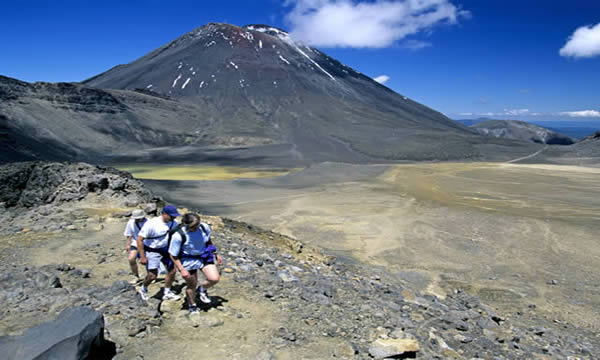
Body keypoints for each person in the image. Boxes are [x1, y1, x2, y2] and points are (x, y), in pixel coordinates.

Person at [169, 213, 222, 314]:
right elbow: (173, 255)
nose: (196, 227)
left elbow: (208, 240)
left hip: (204, 256)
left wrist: (216, 253)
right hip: (189, 260)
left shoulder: (204, 227)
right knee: (192, 284)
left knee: (214, 278)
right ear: (186, 225)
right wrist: (182, 269)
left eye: (197, 224)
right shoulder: (178, 236)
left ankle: (202, 289)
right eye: (194, 226)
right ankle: (192, 304)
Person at [137, 205, 181, 301]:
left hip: (166, 248)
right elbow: (140, 239)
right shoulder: (151, 224)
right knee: (153, 275)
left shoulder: (174, 223)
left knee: (172, 270)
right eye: (172, 216)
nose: (174, 218)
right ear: (164, 214)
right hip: (152, 250)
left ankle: (167, 292)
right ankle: (143, 288)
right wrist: (142, 256)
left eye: (175, 216)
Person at [123, 209, 147, 283]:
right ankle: (136, 276)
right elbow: (129, 234)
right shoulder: (131, 222)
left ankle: (151, 275)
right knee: (131, 259)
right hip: (135, 243)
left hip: (146, 244)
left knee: (148, 261)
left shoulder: (148, 222)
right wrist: (128, 245)